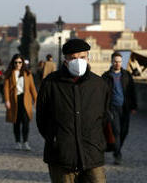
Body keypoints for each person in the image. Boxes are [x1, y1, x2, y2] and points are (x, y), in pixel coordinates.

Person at [36, 39, 109, 183]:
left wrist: (97, 140)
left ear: (88, 58)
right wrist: (56, 138)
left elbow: (105, 117)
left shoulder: (99, 84)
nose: (78, 61)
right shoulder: (51, 83)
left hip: (92, 152)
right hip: (61, 155)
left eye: (82, 57)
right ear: (65, 60)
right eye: (73, 58)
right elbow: (41, 118)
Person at [102, 51, 137, 165]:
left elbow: (132, 91)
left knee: (124, 131)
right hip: (112, 108)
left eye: (120, 62)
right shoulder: (106, 76)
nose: (118, 64)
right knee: (116, 131)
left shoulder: (126, 75)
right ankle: (117, 155)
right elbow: (101, 93)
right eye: (115, 61)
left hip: (125, 107)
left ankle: (115, 148)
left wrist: (134, 106)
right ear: (112, 62)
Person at [4, 54, 37, 151]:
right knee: (16, 122)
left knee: (26, 122)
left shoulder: (27, 73)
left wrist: (36, 100)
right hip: (14, 100)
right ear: (13, 63)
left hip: (25, 100)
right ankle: (17, 142)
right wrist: (7, 100)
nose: (18, 64)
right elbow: (5, 88)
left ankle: (26, 142)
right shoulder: (10, 73)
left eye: (20, 62)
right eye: (16, 62)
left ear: (22, 63)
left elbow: (32, 87)